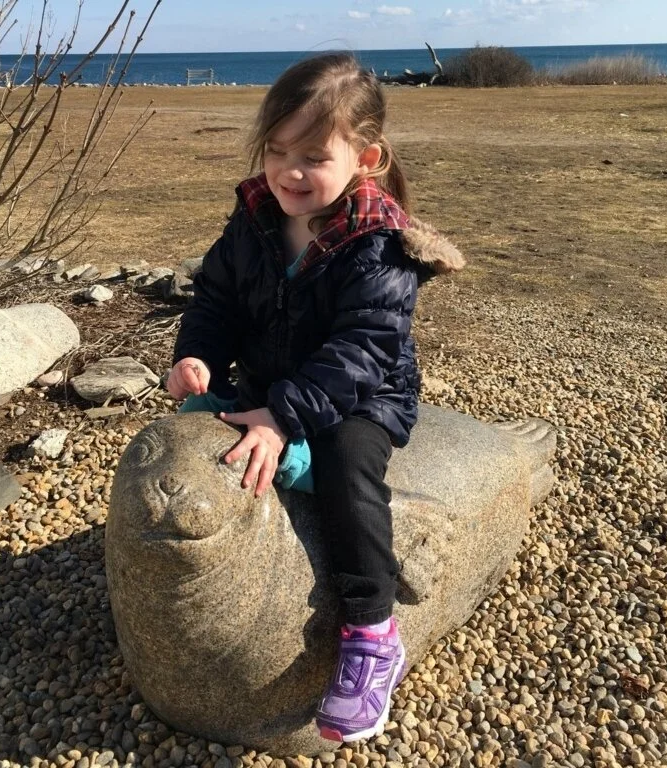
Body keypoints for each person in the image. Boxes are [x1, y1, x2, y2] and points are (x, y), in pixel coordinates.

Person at [167, 52, 464, 742]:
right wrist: (198, 357)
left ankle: (371, 631)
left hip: (361, 394)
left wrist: (283, 416)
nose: (288, 172)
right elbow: (217, 299)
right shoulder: (255, 219)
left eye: (310, 155)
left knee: (345, 465)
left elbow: (362, 351)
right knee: (198, 428)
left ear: (365, 156)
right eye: (276, 152)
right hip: (275, 382)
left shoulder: (380, 244)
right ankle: (286, 451)